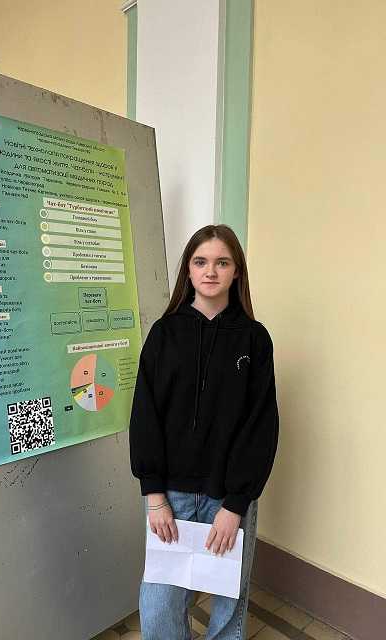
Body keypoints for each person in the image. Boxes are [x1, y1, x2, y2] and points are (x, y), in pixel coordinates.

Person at [129, 224, 279, 640]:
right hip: (169, 494)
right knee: (160, 599)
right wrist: (154, 495)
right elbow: (145, 415)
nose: (210, 271)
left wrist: (236, 504)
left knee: (229, 595)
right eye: (201, 262)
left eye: (222, 262)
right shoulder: (164, 333)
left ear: (236, 271)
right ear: (189, 270)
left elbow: (261, 424)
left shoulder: (254, 339)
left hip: (227, 496)